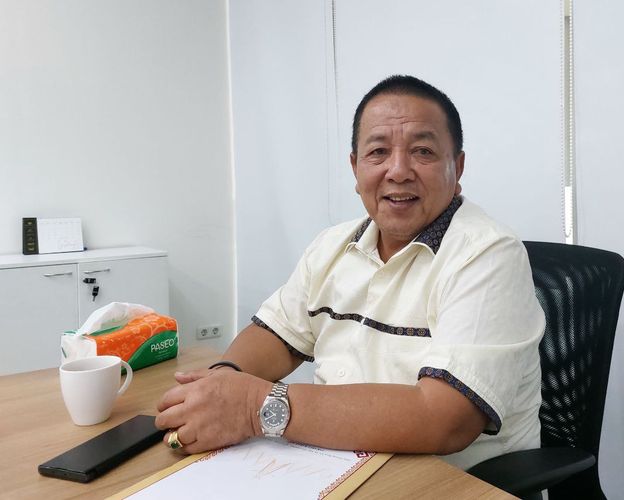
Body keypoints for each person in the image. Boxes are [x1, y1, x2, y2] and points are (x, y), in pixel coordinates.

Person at [155, 75, 545, 470]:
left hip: (452, 482)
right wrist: (221, 383)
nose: (398, 170)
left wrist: (255, 407)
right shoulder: (332, 245)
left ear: (457, 168)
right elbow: (276, 335)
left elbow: (444, 419)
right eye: (378, 152)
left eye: (423, 151)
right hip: (333, 464)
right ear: (356, 168)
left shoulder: (488, 254)